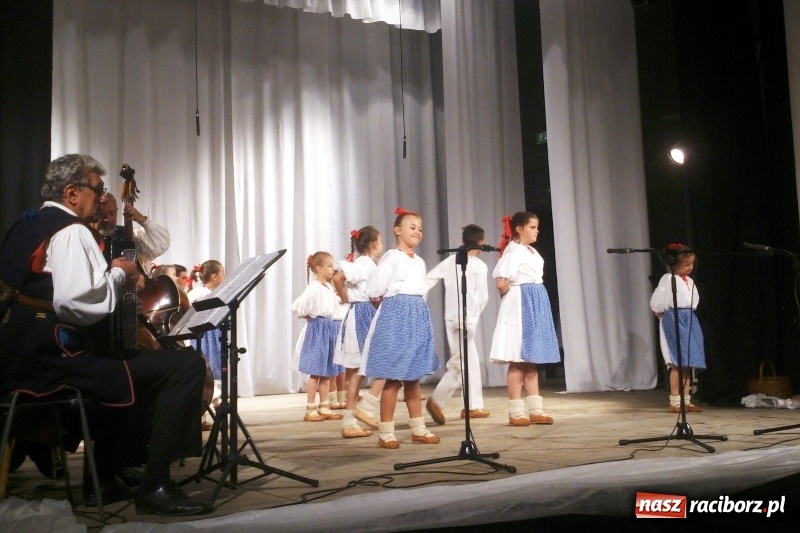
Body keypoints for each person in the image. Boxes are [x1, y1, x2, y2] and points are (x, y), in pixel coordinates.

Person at [0, 154, 210, 516]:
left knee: (128, 363)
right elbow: (76, 302)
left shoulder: (29, 221)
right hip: (56, 359)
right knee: (186, 366)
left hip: (20, 352)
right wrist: (118, 274)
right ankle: (155, 484)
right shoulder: (71, 231)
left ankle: (104, 479)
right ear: (71, 192)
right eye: (97, 189)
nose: (102, 197)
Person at [362, 208, 440, 449]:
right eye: (412, 227)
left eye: (420, 228)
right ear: (397, 230)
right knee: (393, 379)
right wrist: (393, 308)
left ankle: (418, 427)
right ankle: (386, 432)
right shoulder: (391, 257)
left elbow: (422, 290)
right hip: (396, 316)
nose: (417, 231)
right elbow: (374, 289)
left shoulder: (419, 261)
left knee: (413, 378)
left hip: (416, 315)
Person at [490, 212, 561, 427]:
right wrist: (510, 295)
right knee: (518, 358)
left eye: (537, 227)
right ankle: (516, 411)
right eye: (532, 227)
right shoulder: (514, 250)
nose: (536, 230)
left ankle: (536, 409)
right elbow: (501, 281)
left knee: (531, 359)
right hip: (521, 302)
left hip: (535, 300)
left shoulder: (531, 251)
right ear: (519, 229)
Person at [424, 224, 490, 425]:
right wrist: (475, 316)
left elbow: (428, 279)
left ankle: (472, 406)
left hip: (451, 317)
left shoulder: (450, 260)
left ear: (463, 241)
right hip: (467, 318)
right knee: (461, 363)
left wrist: (419, 301)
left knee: (469, 360)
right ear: (480, 242)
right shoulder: (479, 265)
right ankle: (437, 399)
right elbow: (483, 297)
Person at [331, 226, 386, 438]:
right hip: (362, 314)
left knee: (356, 371)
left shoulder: (368, 264)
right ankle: (364, 407)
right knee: (370, 366)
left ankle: (350, 420)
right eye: (380, 241)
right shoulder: (364, 264)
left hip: (363, 313)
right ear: (374, 244)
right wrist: (344, 296)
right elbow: (338, 278)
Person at [650, 243, 705, 413]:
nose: (689, 268)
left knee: (687, 362)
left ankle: (686, 400)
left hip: (688, 317)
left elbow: (694, 299)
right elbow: (659, 299)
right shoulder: (668, 279)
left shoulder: (689, 281)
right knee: (677, 362)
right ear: (674, 264)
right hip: (674, 317)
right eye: (686, 265)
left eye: (691, 265)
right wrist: (660, 311)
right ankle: (674, 401)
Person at [291, 252, 345, 422]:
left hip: (330, 329)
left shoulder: (328, 287)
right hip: (319, 330)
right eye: (329, 266)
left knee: (327, 372)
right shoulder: (313, 288)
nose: (333, 269)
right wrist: (310, 317)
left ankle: (324, 406)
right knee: (316, 372)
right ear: (319, 268)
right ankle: (310, 408)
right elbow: (298, 306)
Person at [187, 260, 225, 429]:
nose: (225, 276)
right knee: (209, 376)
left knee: (209, 376)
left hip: (208, 336)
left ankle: (201, 417)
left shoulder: (201, 292)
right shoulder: (203, 293)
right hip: (205, 338)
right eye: (222, 273)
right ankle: (217, 406)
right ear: (214, 276)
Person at [89, 191, 171, 264]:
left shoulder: (125, 234)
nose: (107, 218)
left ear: (117, 211)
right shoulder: (84, 234)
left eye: (112, 213)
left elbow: (161, 244)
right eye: (102, 214)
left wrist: (143, 220)